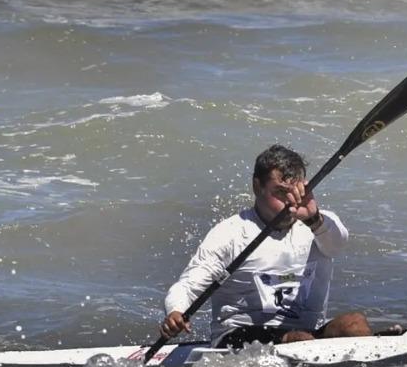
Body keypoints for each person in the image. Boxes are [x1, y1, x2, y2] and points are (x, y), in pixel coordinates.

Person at [159, 144, 373, 347]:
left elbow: (337, 245)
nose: (290, 202)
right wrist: (175, 312)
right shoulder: (230, 233)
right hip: (238, 336)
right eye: (280, 192)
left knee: (355, 324)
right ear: (257, 186)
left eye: (296, 191)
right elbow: (187, 286)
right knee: (299, 339)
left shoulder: (320, 224)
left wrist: (314, 219)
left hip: (307, 336)